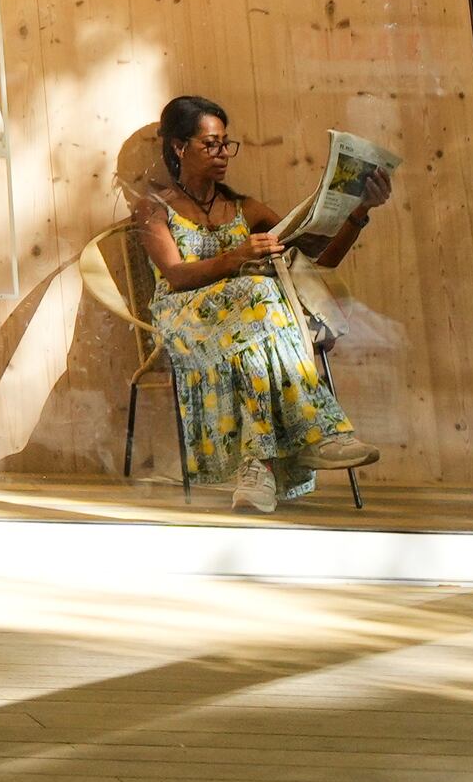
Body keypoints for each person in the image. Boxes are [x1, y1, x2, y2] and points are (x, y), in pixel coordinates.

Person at [130, 94, 371, 511]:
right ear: (178, 147)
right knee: (260, 296)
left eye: (226, 143)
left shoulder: (243, 207)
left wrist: (358, 213)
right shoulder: (155, 208)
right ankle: (317, 433)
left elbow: (320, 259)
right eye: (211, 144)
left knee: (259, 310)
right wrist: (236, 257)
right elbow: (175, 274)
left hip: (251, 319)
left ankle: (257, 468)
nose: (223, 153)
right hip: (183, 316)